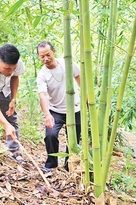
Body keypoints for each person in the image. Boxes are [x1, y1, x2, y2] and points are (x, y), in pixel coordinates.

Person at [36, 40, 81, 173]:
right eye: (42, 56)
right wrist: (47, 115)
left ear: (54, 52)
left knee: (74, 139)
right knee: (50, 135)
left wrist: (86, 96)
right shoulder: (42, 75)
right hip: (55, 110)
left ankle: (69, 165)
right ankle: (51, 165)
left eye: (48, 55)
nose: (45, 59)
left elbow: (78, 76)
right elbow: (43, 95)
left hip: (75, 108)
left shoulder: (67, 64)